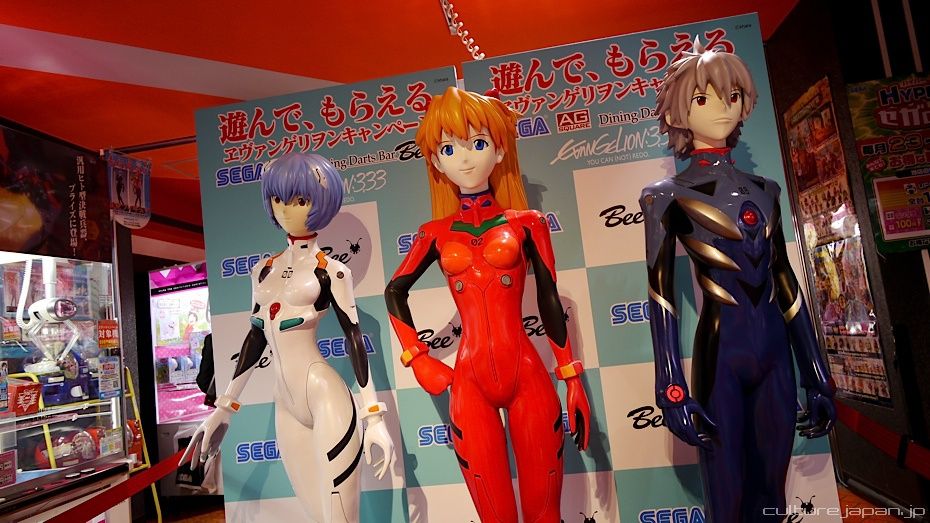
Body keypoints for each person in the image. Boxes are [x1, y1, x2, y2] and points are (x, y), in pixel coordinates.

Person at [640, 40, 835, 522]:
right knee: (725, 501)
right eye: (702, 98)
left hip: (775, 359)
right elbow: (661, 297)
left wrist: (817, 374)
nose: (721, 108)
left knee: (772, 496)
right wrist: (670, 387)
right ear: (679, 113)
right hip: (720, 360)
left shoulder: (767, 191)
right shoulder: (665, 197)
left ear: (745, 102)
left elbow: (785, 283)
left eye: (731, 96)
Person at [385, 87, 590, 523]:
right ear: (436, 162)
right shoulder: (434, 233)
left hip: (528, 377)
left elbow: (549, 298)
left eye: (477, 143)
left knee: (545, 514)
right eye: (448, 149)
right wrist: (417, 358)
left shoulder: (528, 224)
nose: (464, 158)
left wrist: (572, 378)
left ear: (499, 151)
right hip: (469, 385)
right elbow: (394, 292)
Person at [180, 152, 394, 523]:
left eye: (299, 200)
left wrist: (373, 416)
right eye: (278, 198)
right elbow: (256, 336)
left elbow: (354, 337)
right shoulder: (263, 271)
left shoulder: (333, 272)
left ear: (321, 202)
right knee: (317, 515)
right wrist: (224, 407)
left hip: (324, 394)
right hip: (286, 403)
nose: (285, 209)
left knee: (341, 516)